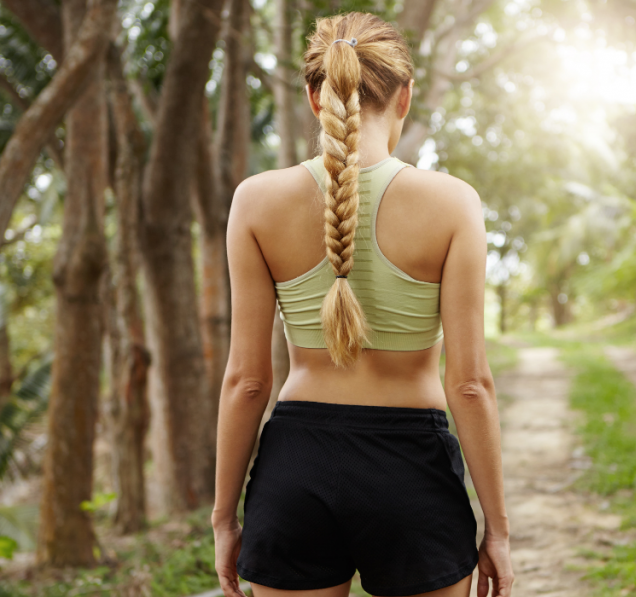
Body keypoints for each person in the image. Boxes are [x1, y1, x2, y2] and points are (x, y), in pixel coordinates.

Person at [210, 11, 514, 597]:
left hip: (295, 470)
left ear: (313, 96)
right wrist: (497, 528)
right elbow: (470, 383)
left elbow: (247, 381)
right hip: (411, 468)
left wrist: (225, 517)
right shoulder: (452, 204)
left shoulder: (256, 201)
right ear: (404, 97)